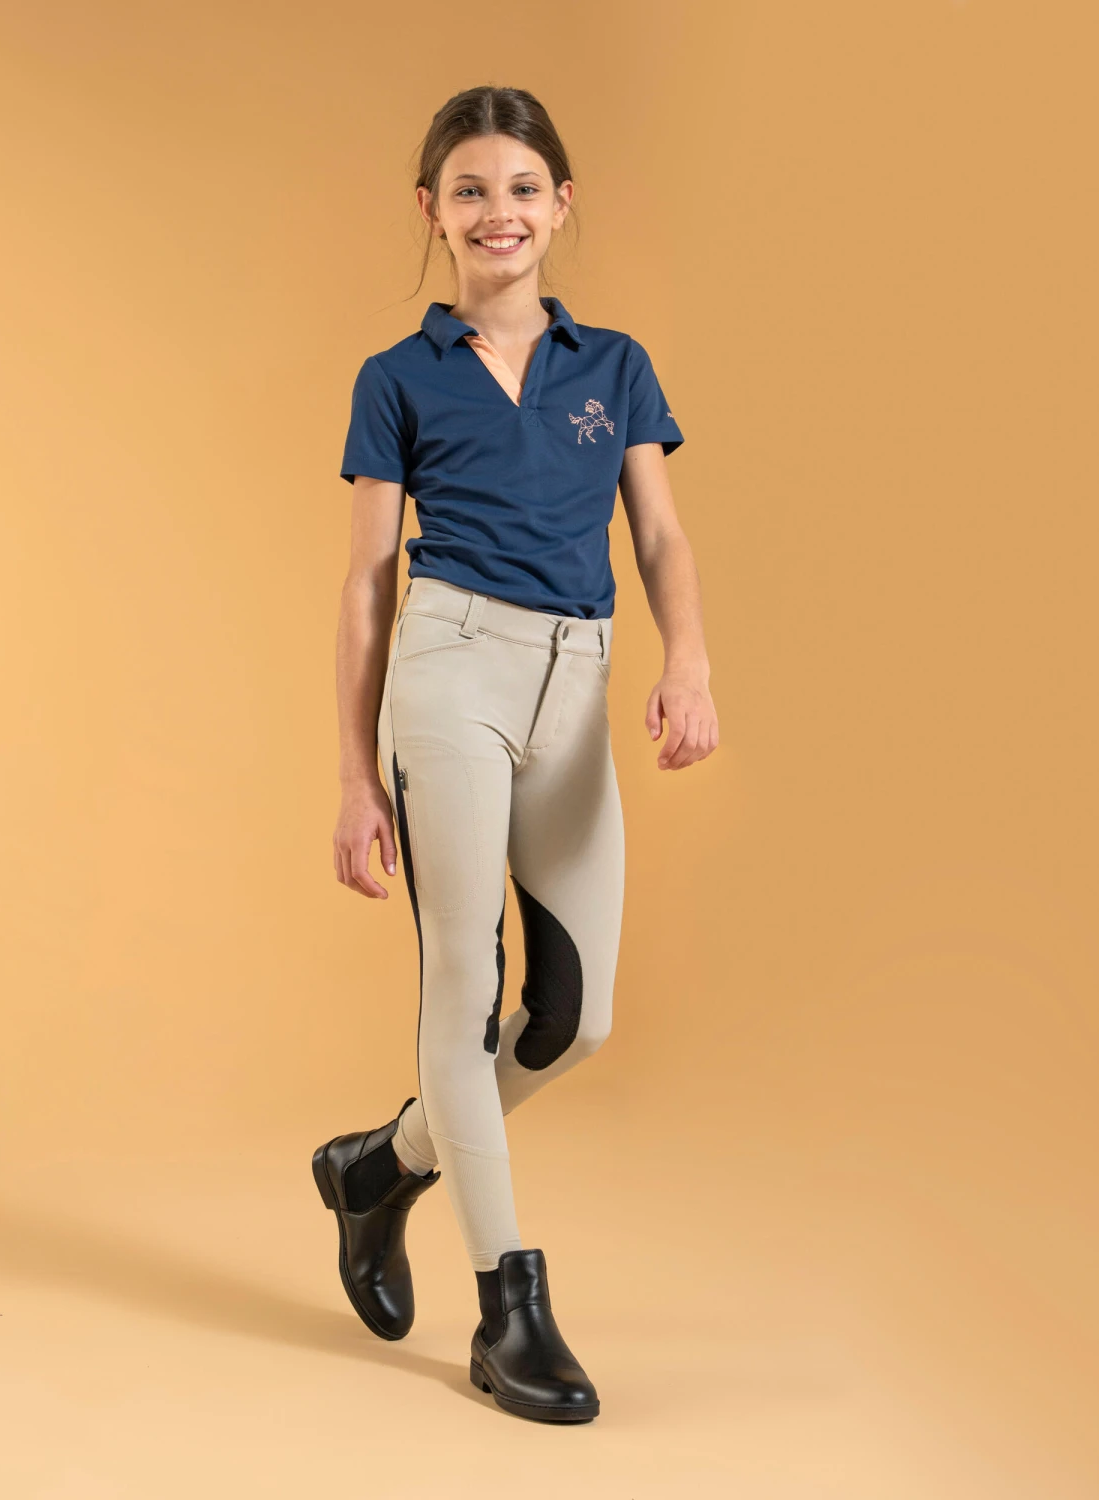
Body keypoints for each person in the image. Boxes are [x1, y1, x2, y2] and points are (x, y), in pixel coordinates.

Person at [315, 84, 718, 1424]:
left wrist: (688, 661)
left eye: (524, 188)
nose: (500, 212)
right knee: (464, 980)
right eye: (472, 190)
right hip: (449, 669)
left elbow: (658, 536)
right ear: (432, 211)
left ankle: (382, 1167)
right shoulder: (398, 378)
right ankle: (509, 1308)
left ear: (561, 204)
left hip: (578, 685)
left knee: (573, 1020)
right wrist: (354, 776)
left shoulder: (615, 366)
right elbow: (367, 583)